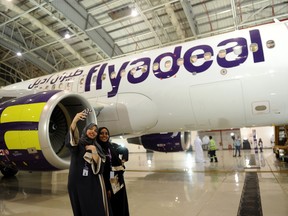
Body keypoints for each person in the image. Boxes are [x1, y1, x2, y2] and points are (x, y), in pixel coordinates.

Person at [65, 111, 112, 216]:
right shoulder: (79, 143)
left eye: (95, 131)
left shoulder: (97, 146)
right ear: (85, 130)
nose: (93, 132)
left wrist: (94, 150)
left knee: (95, 208)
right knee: (82, 208)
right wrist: (75, 121)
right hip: (78, 183)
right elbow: (72, 141)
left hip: (93, 183)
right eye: (90, 129)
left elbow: (100, 167)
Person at [96, 127, 130, 216]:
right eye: (101, 133)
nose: (104, 135)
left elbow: (125, 150)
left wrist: (123, 160)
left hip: (118, 180)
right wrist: (107, 187)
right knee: (112, 205)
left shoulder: (112, 146)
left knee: (121, 203)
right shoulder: (98, 149)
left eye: (106, 133)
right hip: (108, 181)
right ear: (98, 135)